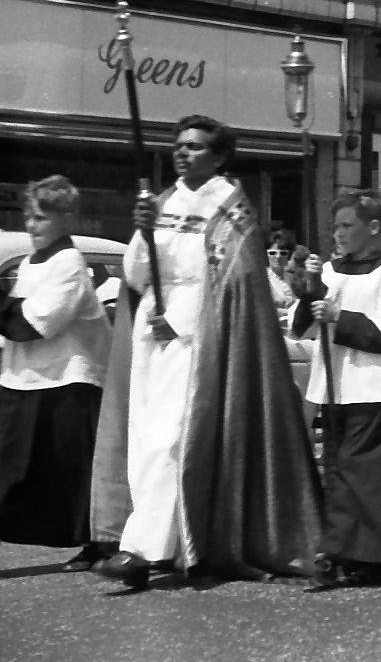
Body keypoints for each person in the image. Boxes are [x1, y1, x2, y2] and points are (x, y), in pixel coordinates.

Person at [93, 115, 320, 588]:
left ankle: (143, 551)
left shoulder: (231, 207)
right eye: (179, 146)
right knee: (146, 439)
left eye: (195, 147)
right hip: (150, 335)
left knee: (171, 440)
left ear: (218, 156)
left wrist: (176, 322)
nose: (183, 152)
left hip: (201, 342)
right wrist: (140, 234)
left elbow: (232, 286)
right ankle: (171, 543)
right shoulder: (161, 202)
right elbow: (137, 274)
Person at [296, 190, 381, 588]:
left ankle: (360, 554)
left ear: (373, 228)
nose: (337, 234)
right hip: (334, 386)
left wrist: (338, 315)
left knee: (363, 477)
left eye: (346, 226)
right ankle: (359, 552)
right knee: (337, 472)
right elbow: (303, 325)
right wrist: (309, 289)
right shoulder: (331, 271)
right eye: (334, 226)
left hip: (372, 386)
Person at [0, 176, 113, 570]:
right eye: (29, 216)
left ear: (67, 218)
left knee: (73, 471)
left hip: (69, 381)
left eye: (42, 217)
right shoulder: (29, 263)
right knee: (12, 466)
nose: (32, 225)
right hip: (23, 378)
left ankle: (98, 542)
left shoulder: (70, 263)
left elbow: (34, 323)